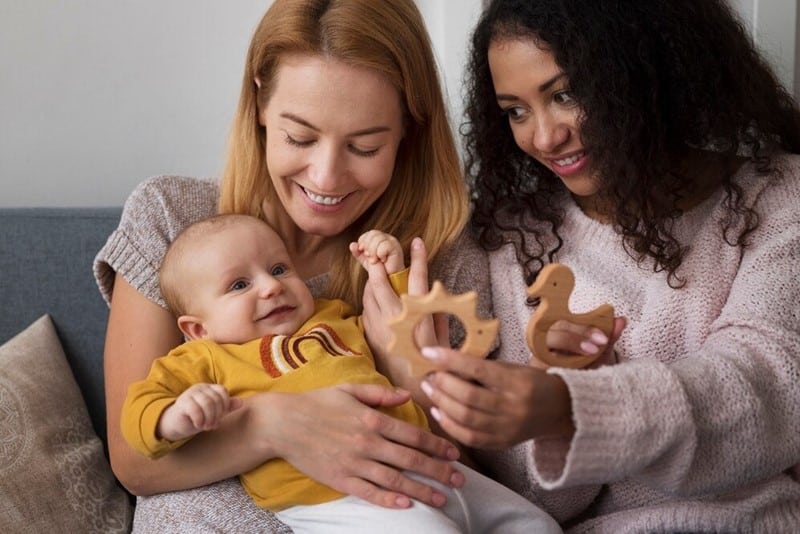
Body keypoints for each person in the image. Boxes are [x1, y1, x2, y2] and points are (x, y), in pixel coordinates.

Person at [396, 0, 800, 531]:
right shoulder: (500, 240)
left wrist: (573, 405)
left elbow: (765, 391)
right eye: (516, 111)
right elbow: (528, 500)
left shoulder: (780, 200)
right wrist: (553, 398)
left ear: (647, 71)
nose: (544, 137)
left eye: (565, 94)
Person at [94, 0, 498, 531]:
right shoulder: (171, 218)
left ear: (408, 129)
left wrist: (411, 379)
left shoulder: (439, 255)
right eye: (300, 137)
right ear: (260, 102)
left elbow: (473, 484)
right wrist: (274, 426)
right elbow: (134, 462)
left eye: (364, 146)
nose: (326, 178)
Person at [120, 213, 561, 533]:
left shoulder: (331, 316)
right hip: (338, 494)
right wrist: (174, 418)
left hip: (425, 462)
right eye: (239, 285)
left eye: (278, 269)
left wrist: (388, 271)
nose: (271, 286)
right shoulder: (204, 358)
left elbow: (396, 325)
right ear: (198, 328)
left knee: (534, 524)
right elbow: (139, 409)